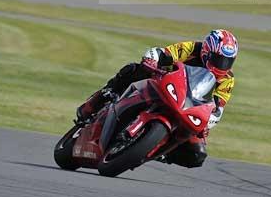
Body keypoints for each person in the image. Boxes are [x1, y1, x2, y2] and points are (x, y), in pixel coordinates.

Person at [75, 29, 238, 168]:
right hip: (164, 82)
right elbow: (164, 53)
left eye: (227, 61)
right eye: (219, 59)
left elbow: (218, 107)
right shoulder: (191, 48)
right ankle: (102, 96)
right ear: (206, 51)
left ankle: (160, 152)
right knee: (133, 69)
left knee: (197, 155)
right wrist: (152, 60)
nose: (222, 65)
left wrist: (209, 119)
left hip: (188, 106)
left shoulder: (227, 79)